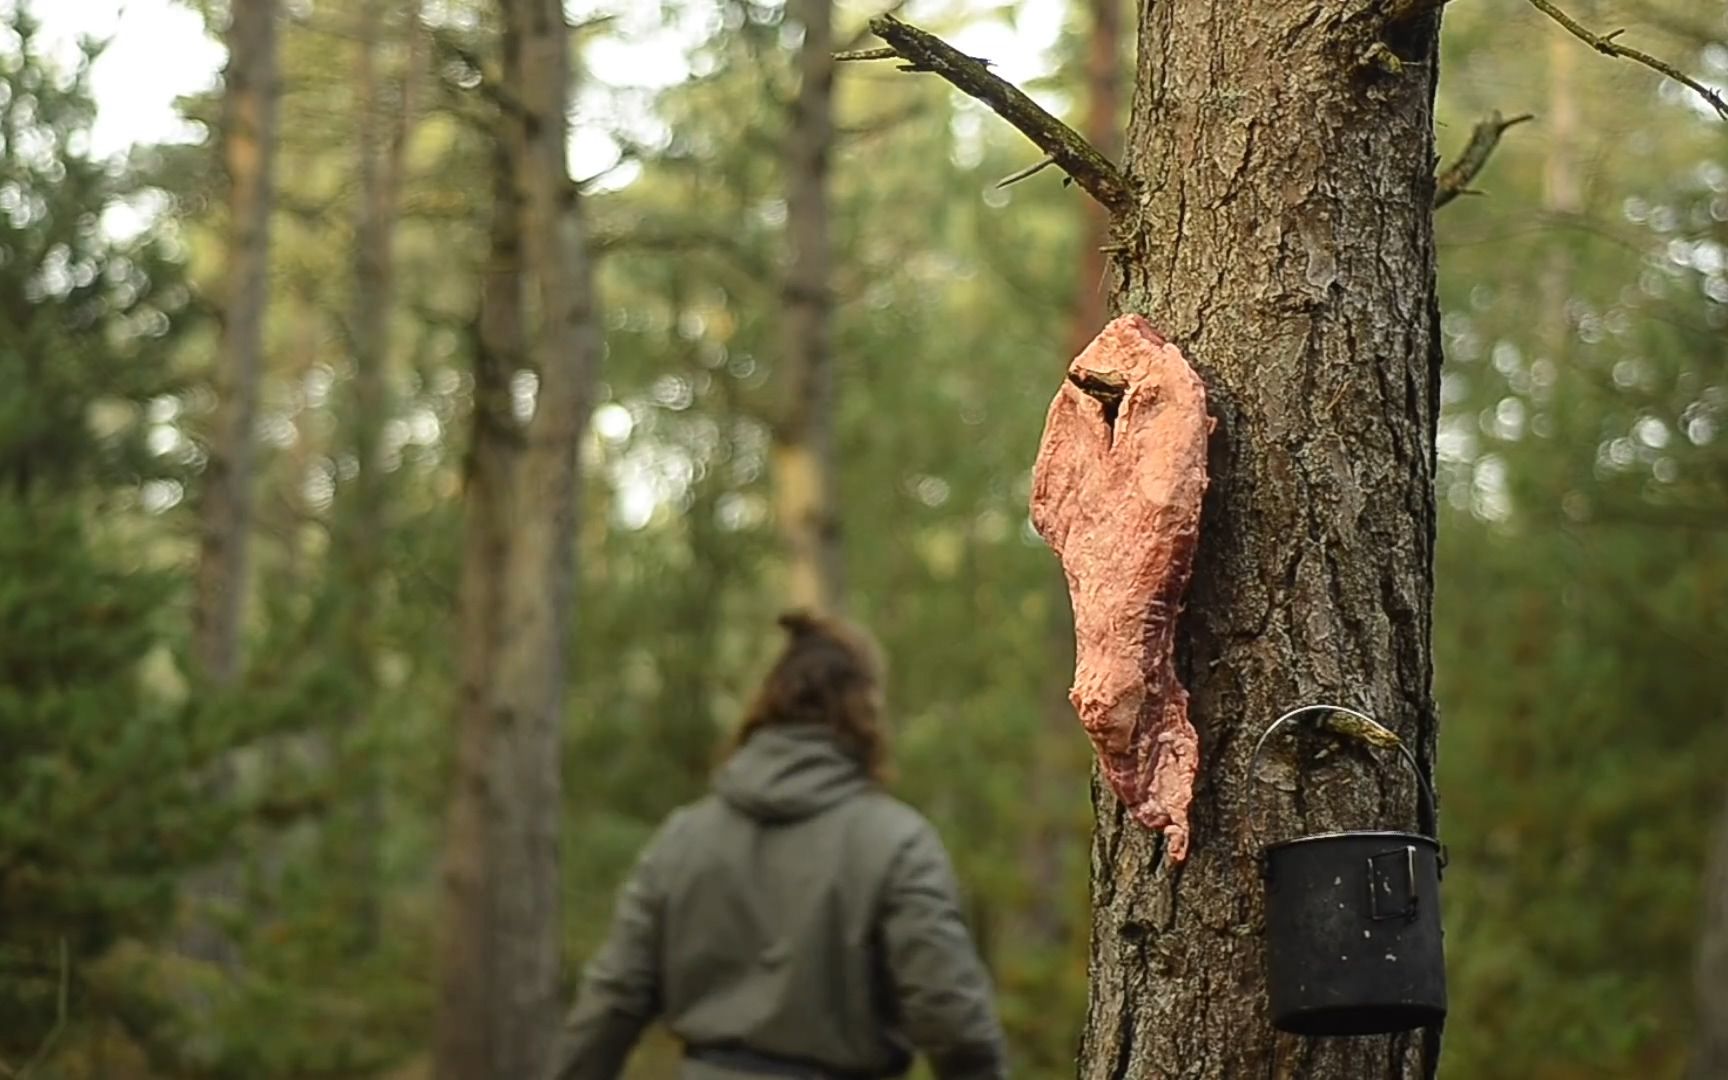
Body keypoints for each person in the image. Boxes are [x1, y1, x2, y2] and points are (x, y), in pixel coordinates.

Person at [548, 611, 1009, 1080]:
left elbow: (610, 1004)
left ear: (766, 705)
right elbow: (952, 1020)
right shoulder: (896, 843)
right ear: (864, 714)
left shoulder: (683, 838)